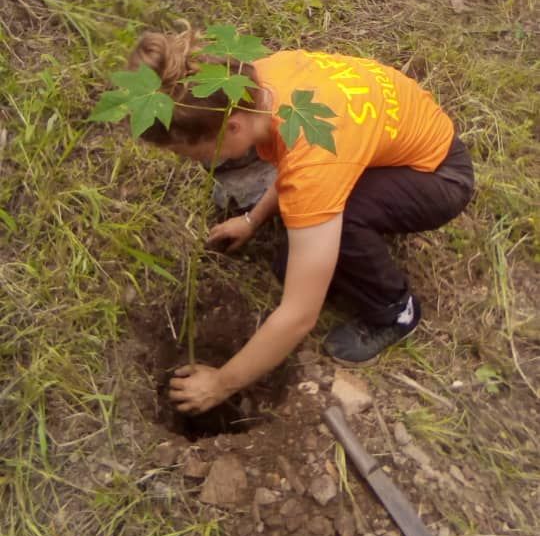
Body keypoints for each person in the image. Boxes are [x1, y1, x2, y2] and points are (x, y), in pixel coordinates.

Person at [127, 27, 474, 414]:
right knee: (302, 241)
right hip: (392, 148)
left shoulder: (314, 163)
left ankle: (396, 311)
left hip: (439, 176)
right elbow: (298, 167)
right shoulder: (259, 81)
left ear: (234, 127)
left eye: (197, 155)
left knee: (341, 219)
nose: (201, 164)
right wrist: (253, 219)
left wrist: (219, 385)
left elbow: (297, 316)